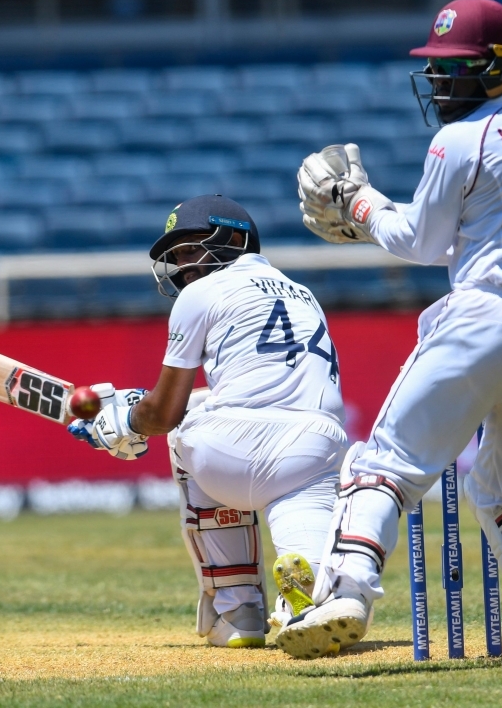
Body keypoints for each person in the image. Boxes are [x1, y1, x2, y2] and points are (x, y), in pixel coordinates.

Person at [277, 0, 502, 665]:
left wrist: (358, 203)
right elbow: (480, 232)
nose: (441, 80)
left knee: (382, 465)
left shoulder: (457, 139)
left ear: (495, 68)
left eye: (455, 67)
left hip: (484, 320)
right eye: (438, 67)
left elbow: (419, 241)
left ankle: (346, 594)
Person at [68, 194, 348, 648]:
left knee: (184, 430)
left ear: (235, 239)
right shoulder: (304, 293)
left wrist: (126, 422)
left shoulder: (201, 294)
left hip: (232, 453)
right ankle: (306, 594)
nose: (183, 264)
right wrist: (137, 409)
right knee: (305, 546)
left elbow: (166, 413)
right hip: (317, 448)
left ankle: (238, 611)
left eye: (192, 248)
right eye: (176, 256)